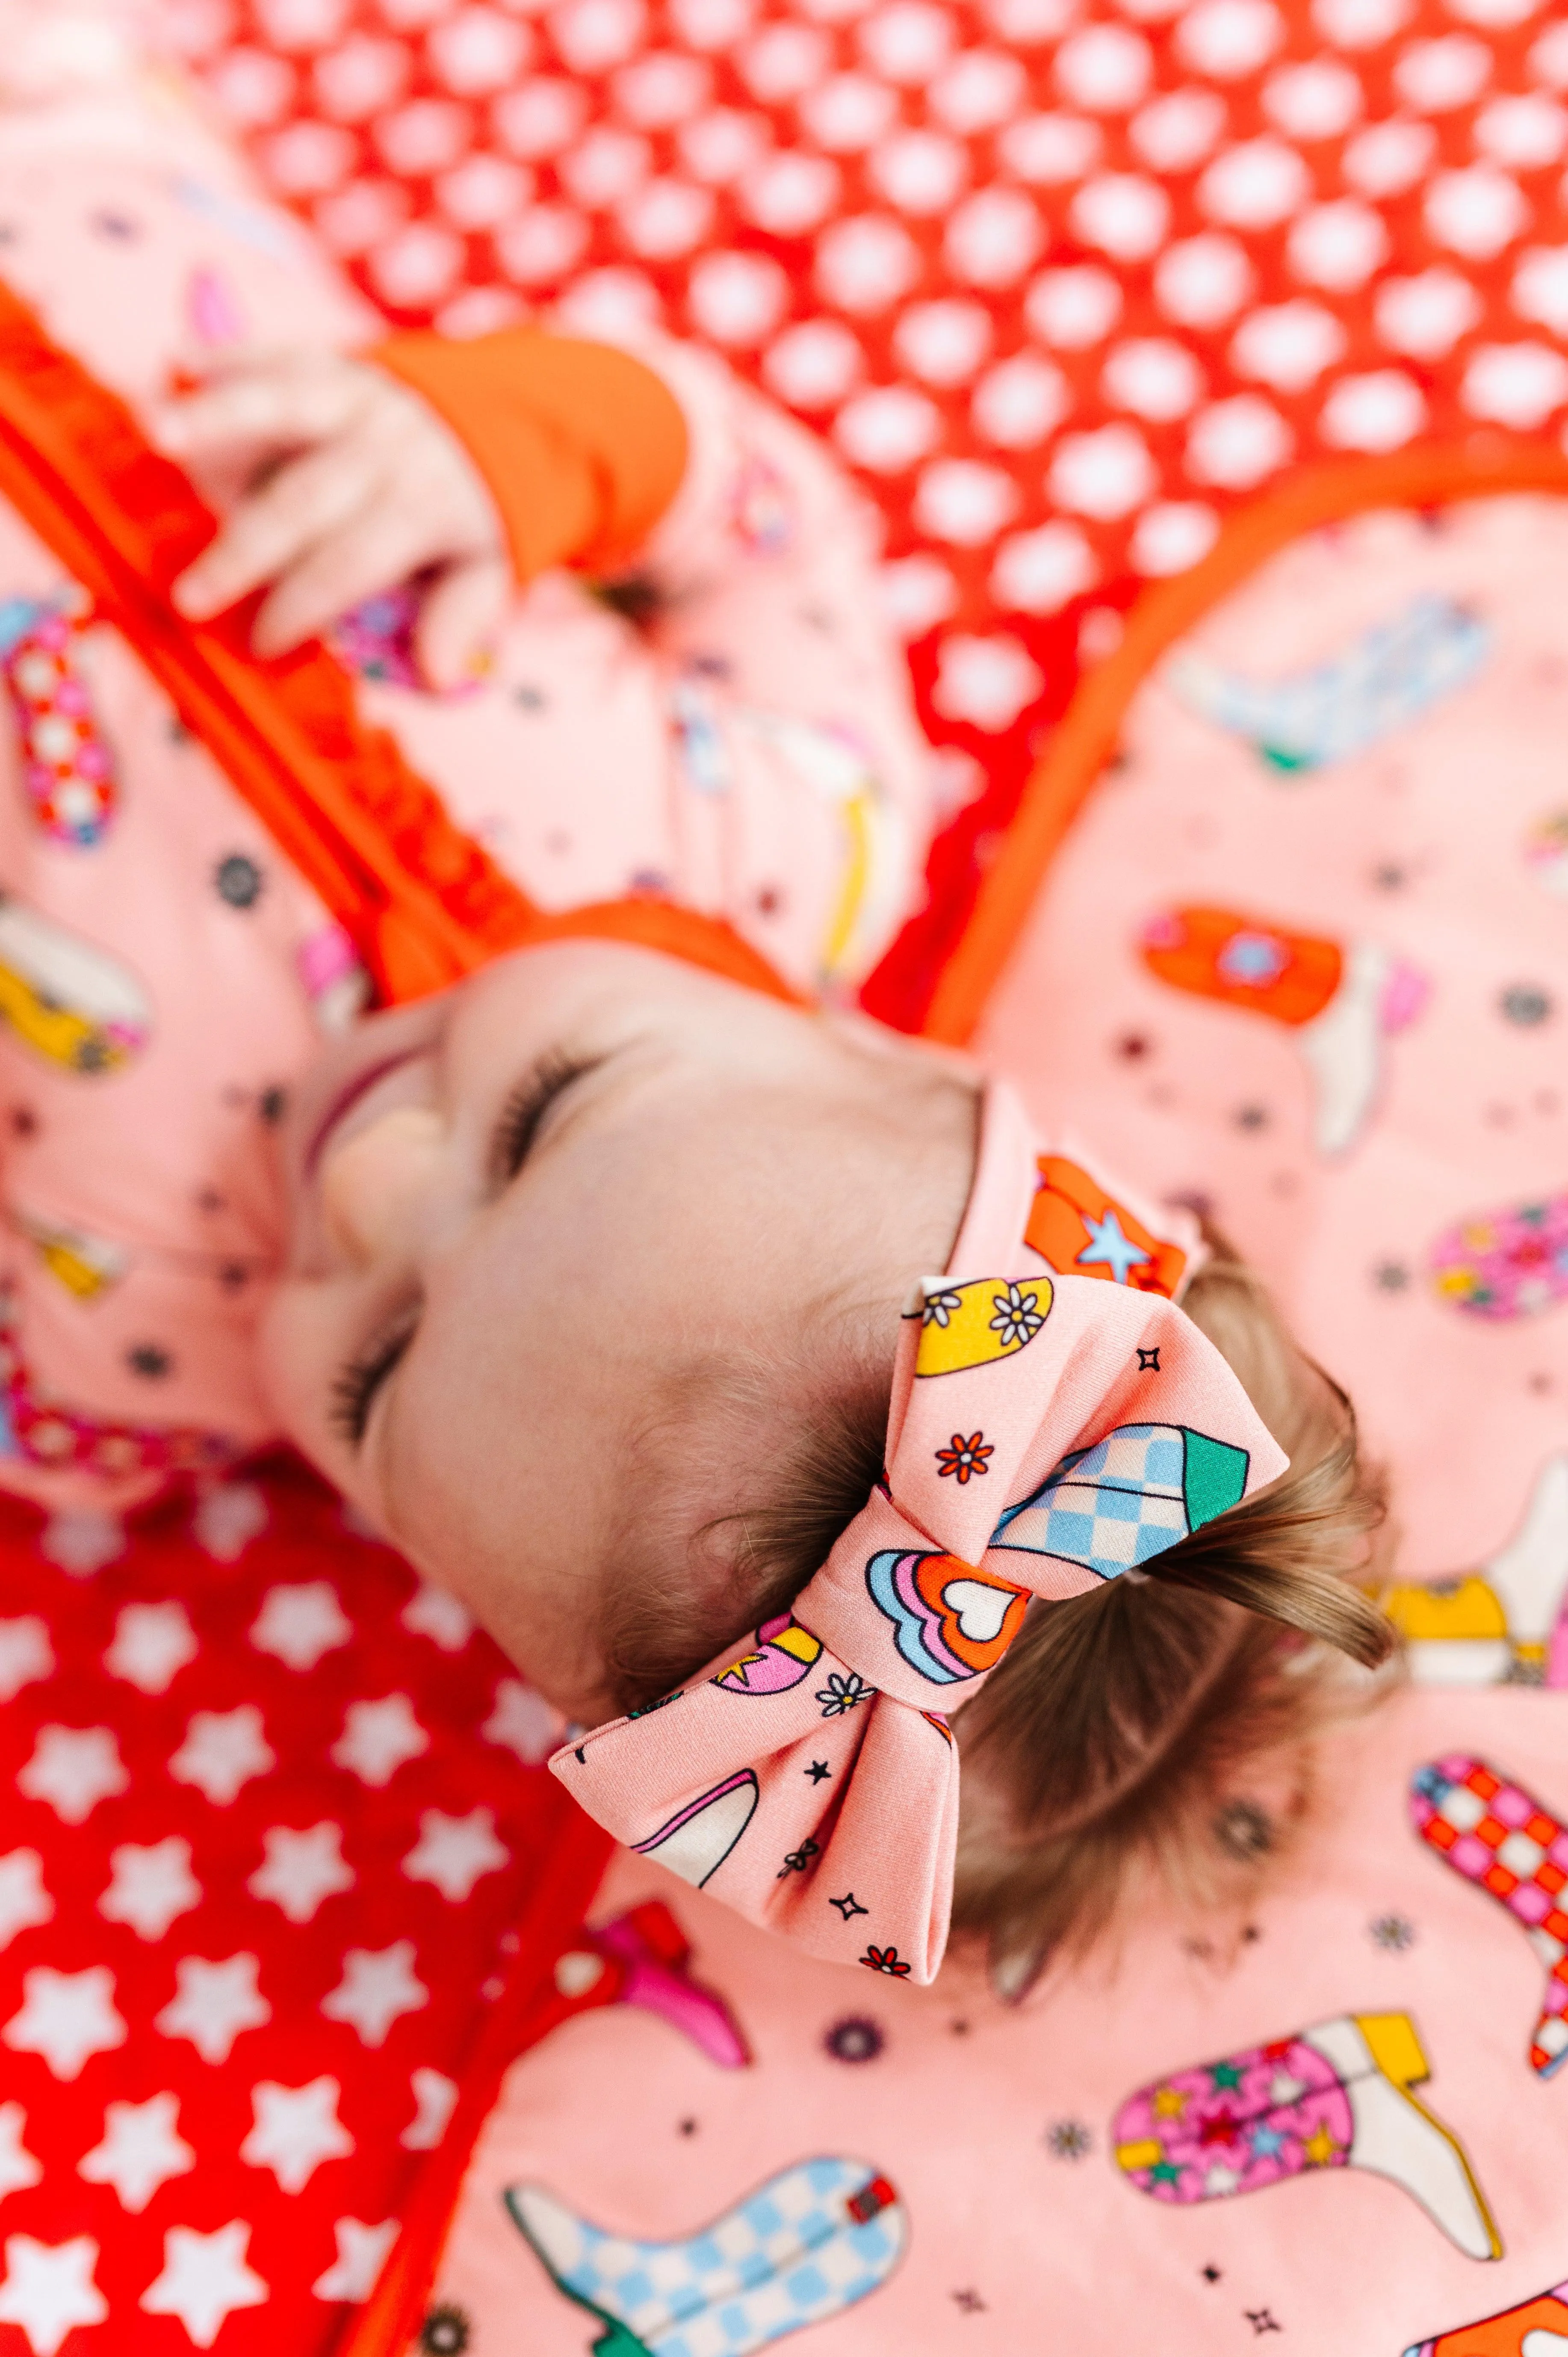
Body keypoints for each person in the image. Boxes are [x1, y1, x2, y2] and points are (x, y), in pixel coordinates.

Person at [0, 1, 1389, 1984]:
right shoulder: (780, 824)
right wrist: (503, 447)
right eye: (545, 1107)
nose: (373, 1183)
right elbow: (732, 496)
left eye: (377, 1383)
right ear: (875, 1049)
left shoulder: (117, 1356)